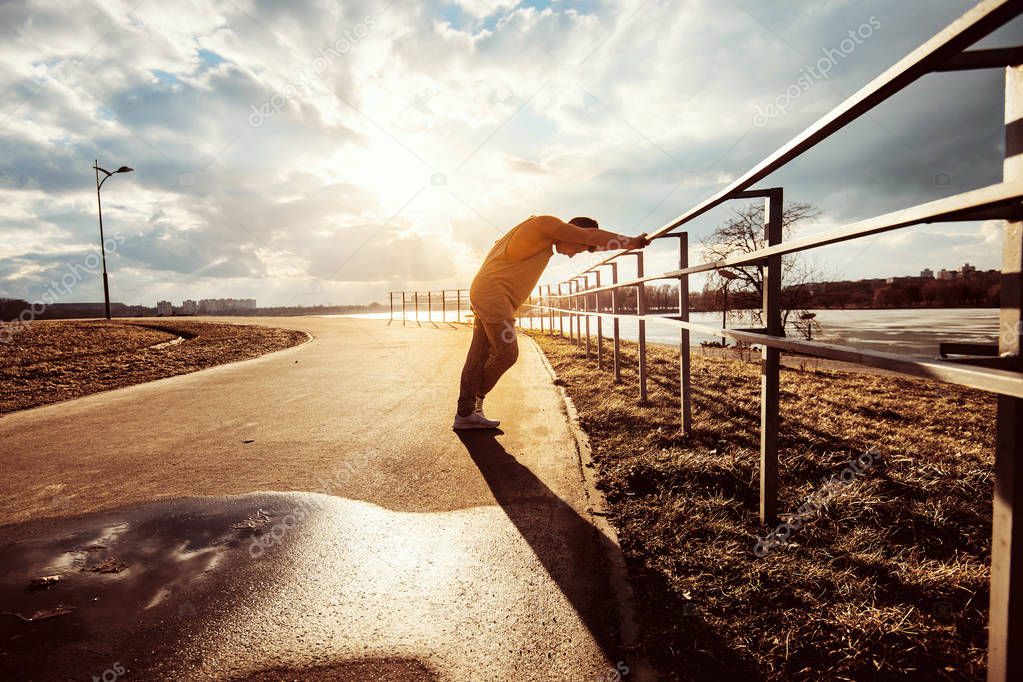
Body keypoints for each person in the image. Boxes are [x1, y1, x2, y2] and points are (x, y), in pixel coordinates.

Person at [453, 215, 649, 430]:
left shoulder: (543, 237)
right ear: (571, 231)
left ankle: (466, 413)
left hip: (488, 293)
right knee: (507, 353)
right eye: (579, 248)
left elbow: (589, 239)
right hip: (492, 295)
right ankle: (472, 403)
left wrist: (610, 245)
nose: (573, 255)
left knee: (480, 353)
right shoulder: (545, 224)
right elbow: (589, 235)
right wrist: (632, 242)